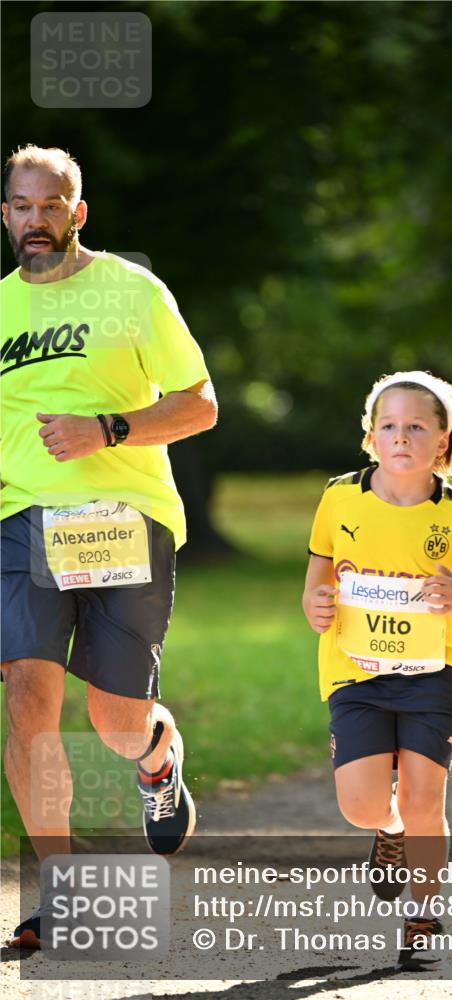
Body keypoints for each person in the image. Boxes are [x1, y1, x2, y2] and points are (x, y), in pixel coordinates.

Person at [1, 145, 218, 948]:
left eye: (51, 205)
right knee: (27, 694)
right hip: (21, 520)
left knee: (115, 720)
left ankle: (155, 757)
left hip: (122, 515)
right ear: (5, 215)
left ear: (77, 213)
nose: (36, 220)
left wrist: (108, 429)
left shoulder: (131, 291)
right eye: (23, 207)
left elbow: (199, 404)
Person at [302, 371, 452, 969]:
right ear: (371, 437)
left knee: (427, 799)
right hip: (356, 674)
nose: (402, 437)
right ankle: (387, 828)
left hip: (433, 676)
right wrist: (315, 603)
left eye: (417, 427)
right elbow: (319, 576)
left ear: (445, 441)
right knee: (362, 807)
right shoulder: (339, 497)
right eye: (390, 426)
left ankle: (421, 914)